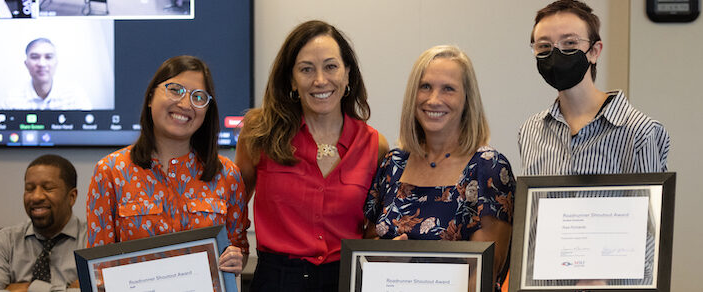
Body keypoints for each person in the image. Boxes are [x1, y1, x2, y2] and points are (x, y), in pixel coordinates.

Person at [517, 0, 671, 288]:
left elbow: (649, 234)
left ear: (595, 51)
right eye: (544, 47)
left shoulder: (639, 132)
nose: (556, 55)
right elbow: (532, 227)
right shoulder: (531, 131)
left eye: (570, 43)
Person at [236, 20, 388, 291]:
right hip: (277, 280)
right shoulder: (259, 134)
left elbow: (374, 230)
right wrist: (234, 251)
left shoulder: (374, 145)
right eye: (307, 69)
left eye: (331, 66)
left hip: (346, 279)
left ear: (347, 74)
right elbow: (232, 208)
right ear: (292, 79)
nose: (320, 80)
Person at [363, 45, 515, 292]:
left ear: (467, 99)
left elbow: (484, 273)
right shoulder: (392, 163)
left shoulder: (488, 167)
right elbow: (366, 249)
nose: (433, 99)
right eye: (425, 87)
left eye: (448, 89)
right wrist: (388, 255)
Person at [86, 55, 249, 275]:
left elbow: (239, 248)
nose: (185, 104)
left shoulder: (227, 175)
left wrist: (236, 260)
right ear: (151, 97)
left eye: (198, 97)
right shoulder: (111, 171)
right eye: (175, 90)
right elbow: (98, 265)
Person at [0, 154, 86, 292]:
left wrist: (31, 288)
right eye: (29, 188)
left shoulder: (93, 241)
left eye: (48, 188)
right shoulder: (5, 241)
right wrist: (69, 289)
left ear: (72, 197)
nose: (36, 196)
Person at [0, 38, 91, 110]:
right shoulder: (11, 99)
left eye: (48, 57)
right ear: (26, 64)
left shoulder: (75, 95)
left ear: (56, 63)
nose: (42, 64)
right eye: (35, 57)